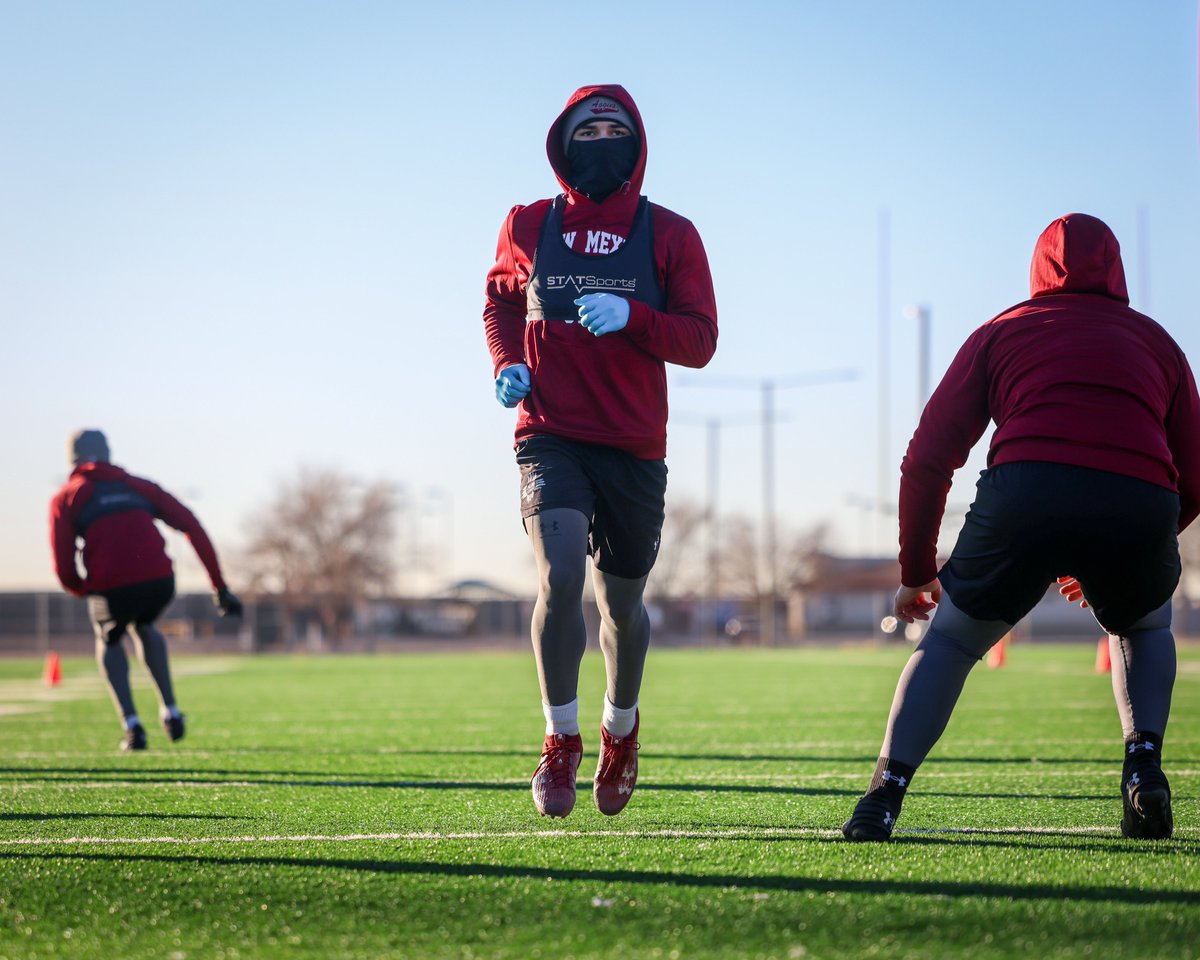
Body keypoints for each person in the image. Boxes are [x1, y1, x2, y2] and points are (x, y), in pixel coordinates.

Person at [844, 213, 1200, 842]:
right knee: (1142, 625)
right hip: (1139, 498)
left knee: (951, 644)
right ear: (1117, 268)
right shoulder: (1158, 342)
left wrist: (916, 573)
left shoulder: (1002, 330)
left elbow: (928, 458)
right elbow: (1195, 473)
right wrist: (1135, 544)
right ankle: (1143, 764)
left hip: (1024, 492)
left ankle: (884, 794)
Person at [483, 85, 718, 818]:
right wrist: (505, 363)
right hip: (548, 433)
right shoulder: (527, 222)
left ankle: (621, 729)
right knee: (558, 579)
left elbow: (702, 341)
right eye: (588, 129)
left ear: (638, 144)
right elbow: (497, 299)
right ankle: (561, 737)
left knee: (620, 602)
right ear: (561, 141)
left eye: (616, 129)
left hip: (634, 445)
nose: (602, 139)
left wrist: (635, 317)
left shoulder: (670, 233)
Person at [49, 429, 243, 752]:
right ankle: (171, 709)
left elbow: (64, 566)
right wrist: (219, 586)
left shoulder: (68, 496)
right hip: (159, 582)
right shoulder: (137, 485)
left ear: (73, 459)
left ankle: (132, 726)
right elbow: (191, 524)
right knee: (144, 623)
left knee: (108, 635)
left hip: (112, 586)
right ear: (108, 454)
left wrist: (82, 589)